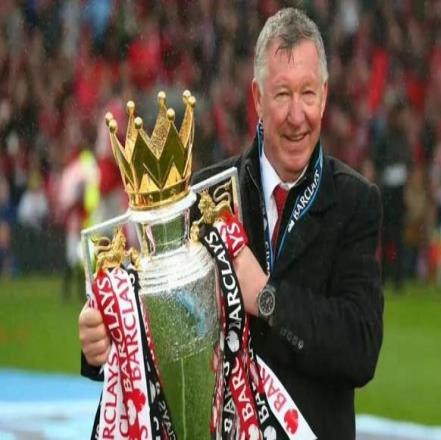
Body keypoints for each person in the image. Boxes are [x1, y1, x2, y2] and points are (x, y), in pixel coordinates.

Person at [79, 8, 384, 439]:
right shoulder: (201, 199)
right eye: (282, 95)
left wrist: (267, 299)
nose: (297, 115)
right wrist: (103, 341)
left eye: (308, 94)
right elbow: (160, 329)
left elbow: (360, 349)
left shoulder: (354, 202)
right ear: (257, 98)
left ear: (325, 95)